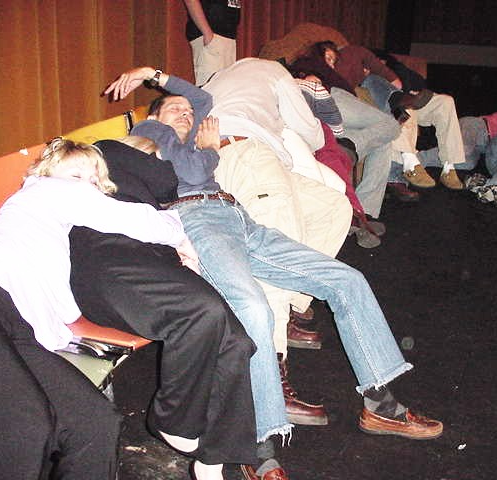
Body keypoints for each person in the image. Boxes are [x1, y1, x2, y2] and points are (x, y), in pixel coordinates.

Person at [106, 67, 444, 480]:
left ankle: (381, 403)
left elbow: (202, 100)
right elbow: (192, 173)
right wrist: (209, 149)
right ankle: (257, 442)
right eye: (174, 109)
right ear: (154, 115)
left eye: (186, 112)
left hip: (236, 216)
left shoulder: (191, 130)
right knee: (252, 307)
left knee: (346, 280)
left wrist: (154, 74)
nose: (185, 114)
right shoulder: (151, 133)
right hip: (197, 220)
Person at [0, 138, 198, 479]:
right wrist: (180, 233)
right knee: (22, 425)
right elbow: (129, 218)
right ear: (46, 172)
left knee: (94, 423)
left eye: (94, 179)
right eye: (76, 174)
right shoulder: (46, 190)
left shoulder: (48, 229)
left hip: (17, 327)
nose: (86, 184)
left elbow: (64, 311)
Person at [69, 137, 258, 480]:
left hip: (155, 258)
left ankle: (212, 462)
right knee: (202, 313)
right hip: (107, 254)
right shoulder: (107, 150)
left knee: (236, 343)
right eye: (152, 154)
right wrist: (160, 153)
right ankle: (173, 419)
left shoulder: (134, 193)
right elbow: (167, 180)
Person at [291, 46, 418, 219]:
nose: (331, 64)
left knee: (383, 141)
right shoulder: (310, 63)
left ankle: (364, 212)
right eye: (328, 57)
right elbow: (303, 75)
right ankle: (349, 146)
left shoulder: (324, 70)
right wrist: (309, 76)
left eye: (334, 61)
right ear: (317, 53)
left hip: (331, 113)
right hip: (333, 97)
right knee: (391, 125)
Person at [328, 43, 465, 190]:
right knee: (403, 104)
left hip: (412, 95)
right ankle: (410, 161)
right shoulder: (355, 68)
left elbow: (410, 81)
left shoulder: (388, 62)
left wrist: (409, 88)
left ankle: (449, 167)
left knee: (445, 102)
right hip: (382, 99)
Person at [183, 0, 242, 86]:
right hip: (213, 37)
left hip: (228, 38)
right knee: (211, 88)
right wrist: (207, 33)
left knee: (225, 88)